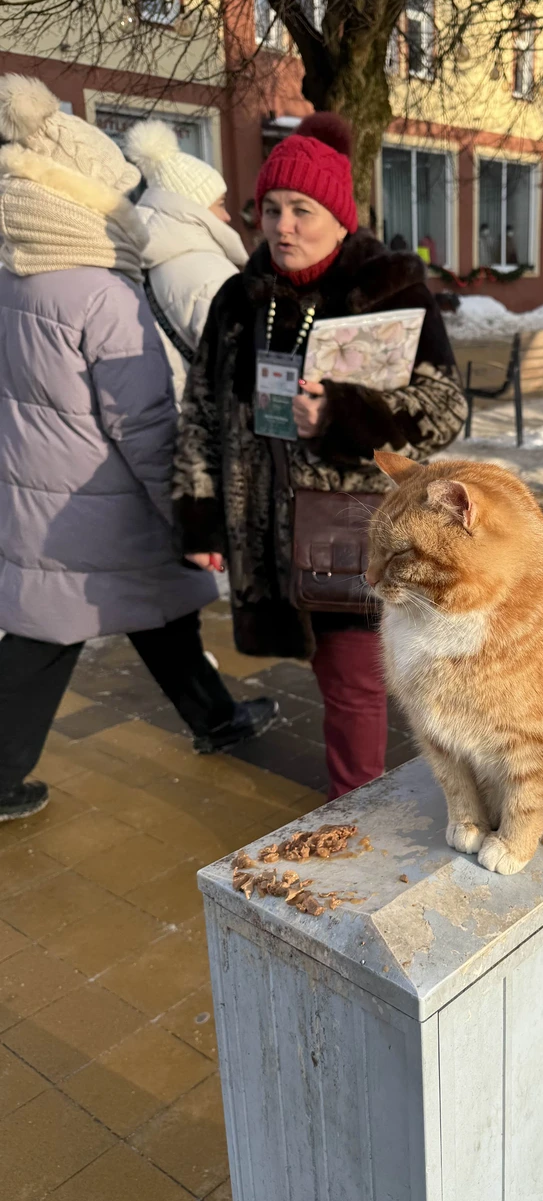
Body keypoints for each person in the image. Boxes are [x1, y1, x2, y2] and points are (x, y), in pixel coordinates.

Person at [0, 76, 275, 822]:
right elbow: (145, 422)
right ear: (86, 203)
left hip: (42, 486)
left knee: (155, 611)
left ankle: (214, 718)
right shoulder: (101, 295)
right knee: (47, 635)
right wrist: (192, 513)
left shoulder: (18, 281)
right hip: (100, 496)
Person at [174, 113, 467, 799]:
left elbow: (446, 407)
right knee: (332, 677)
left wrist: (342, 415)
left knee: (354, 682)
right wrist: (201, 518)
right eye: (271, 209)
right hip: (264, 534)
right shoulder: (238, 299)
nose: (283, 226)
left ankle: (354, 812)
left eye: (303, 210)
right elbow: (202, 412)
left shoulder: (388, 288)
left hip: (351, 532)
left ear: (340, 216)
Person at [126, 119, 248, 404]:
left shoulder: (133, 258)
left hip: (159, 413)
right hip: (205, 428)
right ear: (193, 207)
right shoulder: (213, 276)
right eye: (220, 204)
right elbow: (240, 373)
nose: (227, 217)